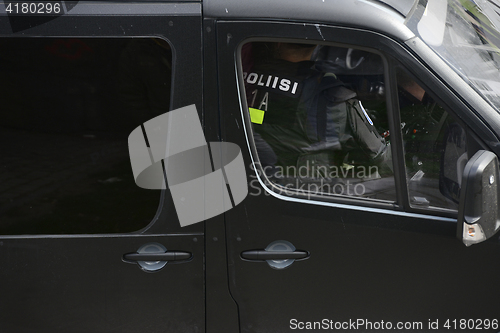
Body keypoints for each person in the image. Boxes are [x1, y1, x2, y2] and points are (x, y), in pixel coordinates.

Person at [244, 42, 392, 181]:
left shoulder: (240, 76)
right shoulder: (331, 97)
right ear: (318, 45)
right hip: (304, 196)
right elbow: (381, 157)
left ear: (277, 43)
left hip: (247, 180)